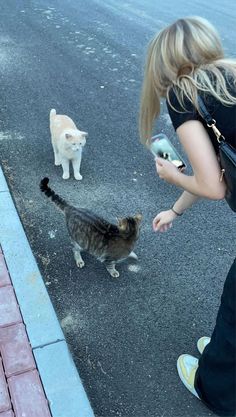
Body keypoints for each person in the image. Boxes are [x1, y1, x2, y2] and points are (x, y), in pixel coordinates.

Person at [139, 16, 236, 417]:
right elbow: (220, 165)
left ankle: (215, 390)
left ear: (163, 66)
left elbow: (214, 186)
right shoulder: (230, 74)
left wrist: (169, 174)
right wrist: (175, 209)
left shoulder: (184, 93)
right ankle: (219, 356)